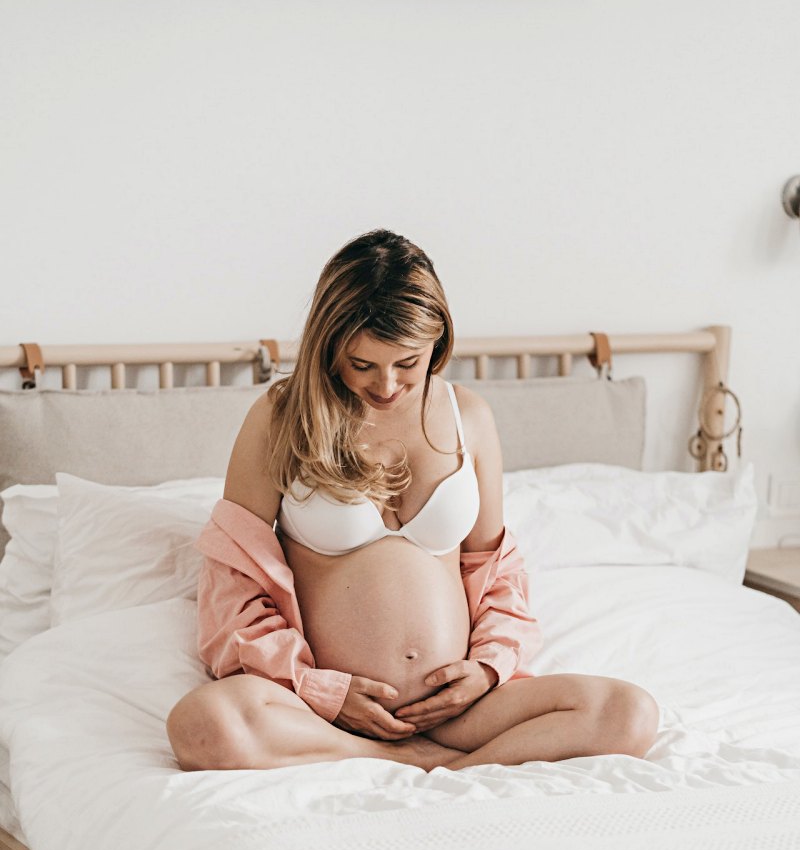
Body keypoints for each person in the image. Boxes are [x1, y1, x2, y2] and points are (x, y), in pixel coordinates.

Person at [167, 229, 658, 773]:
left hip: (459, 711)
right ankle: (387, 756)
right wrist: (320, 689)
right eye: (362, 364)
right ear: (328, 344)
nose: (386, 385)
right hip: (326, 711)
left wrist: (488, 669)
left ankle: (447, 763)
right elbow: (233, 583)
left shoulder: (469, 416)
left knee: (628, 713)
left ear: (438, 342)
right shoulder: (282, 417)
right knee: (201, 726)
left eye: (407, 362)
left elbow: (496, 571)